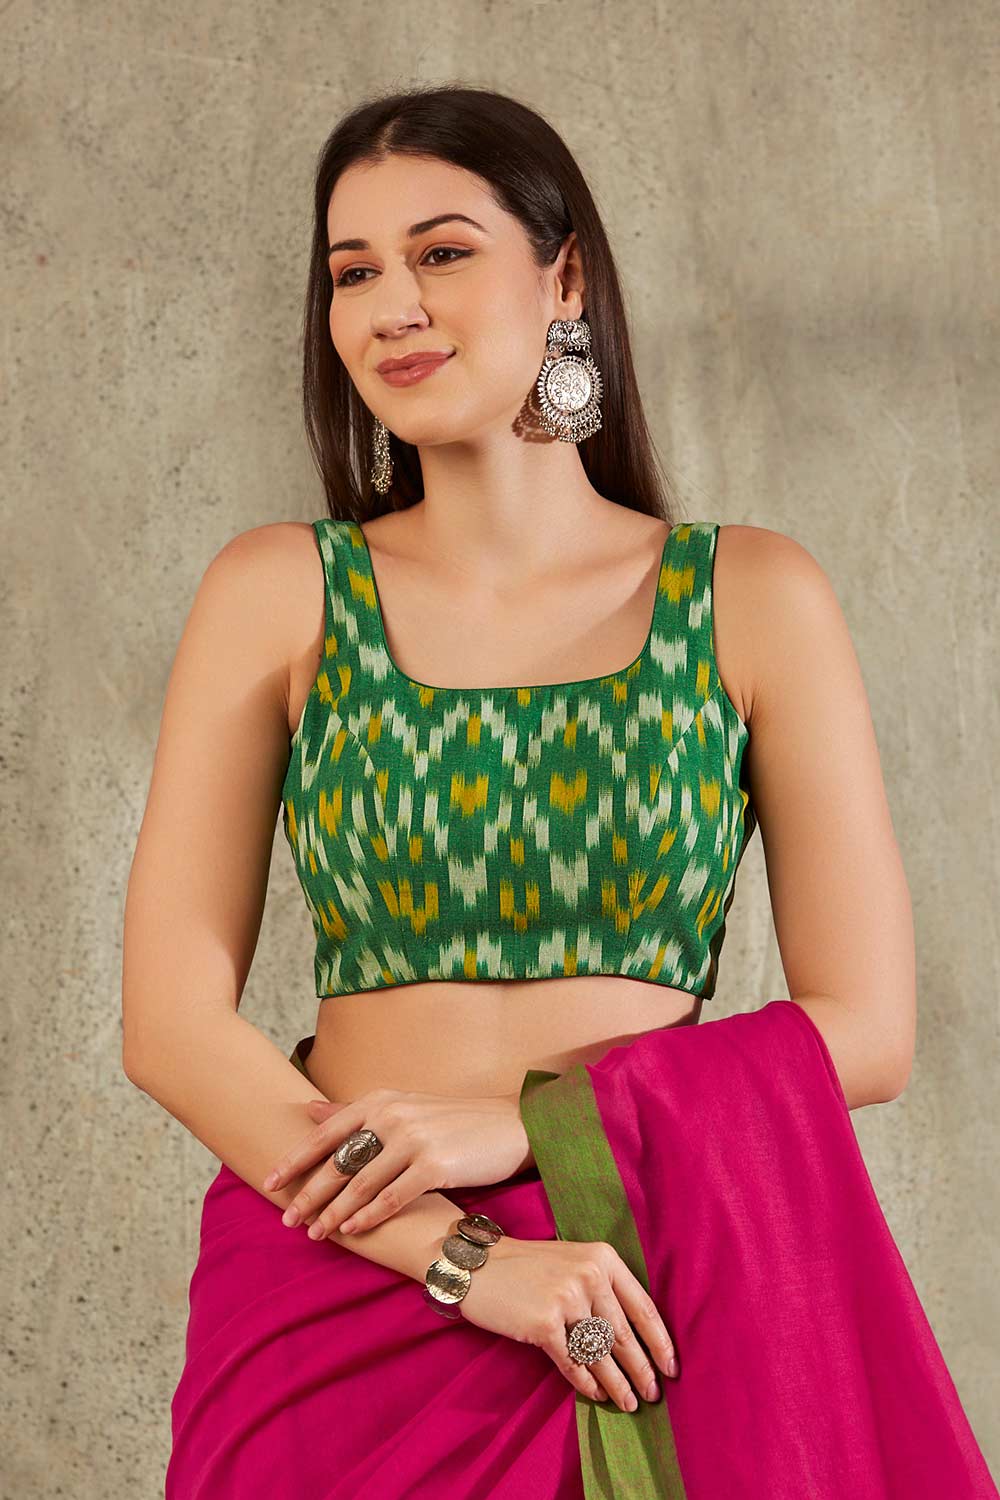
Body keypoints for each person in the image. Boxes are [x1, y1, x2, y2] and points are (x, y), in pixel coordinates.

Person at [122, 85, 996, 1498]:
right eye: (354, 274)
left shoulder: (748, 597)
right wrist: (468, 1259)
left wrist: (532, 1130)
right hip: (346, 1280)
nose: (393, 307)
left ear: (566, 275)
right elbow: (171, 1029)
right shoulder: (281, 593)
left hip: (649, 1283)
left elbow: (869, 1032)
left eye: (441, 253)